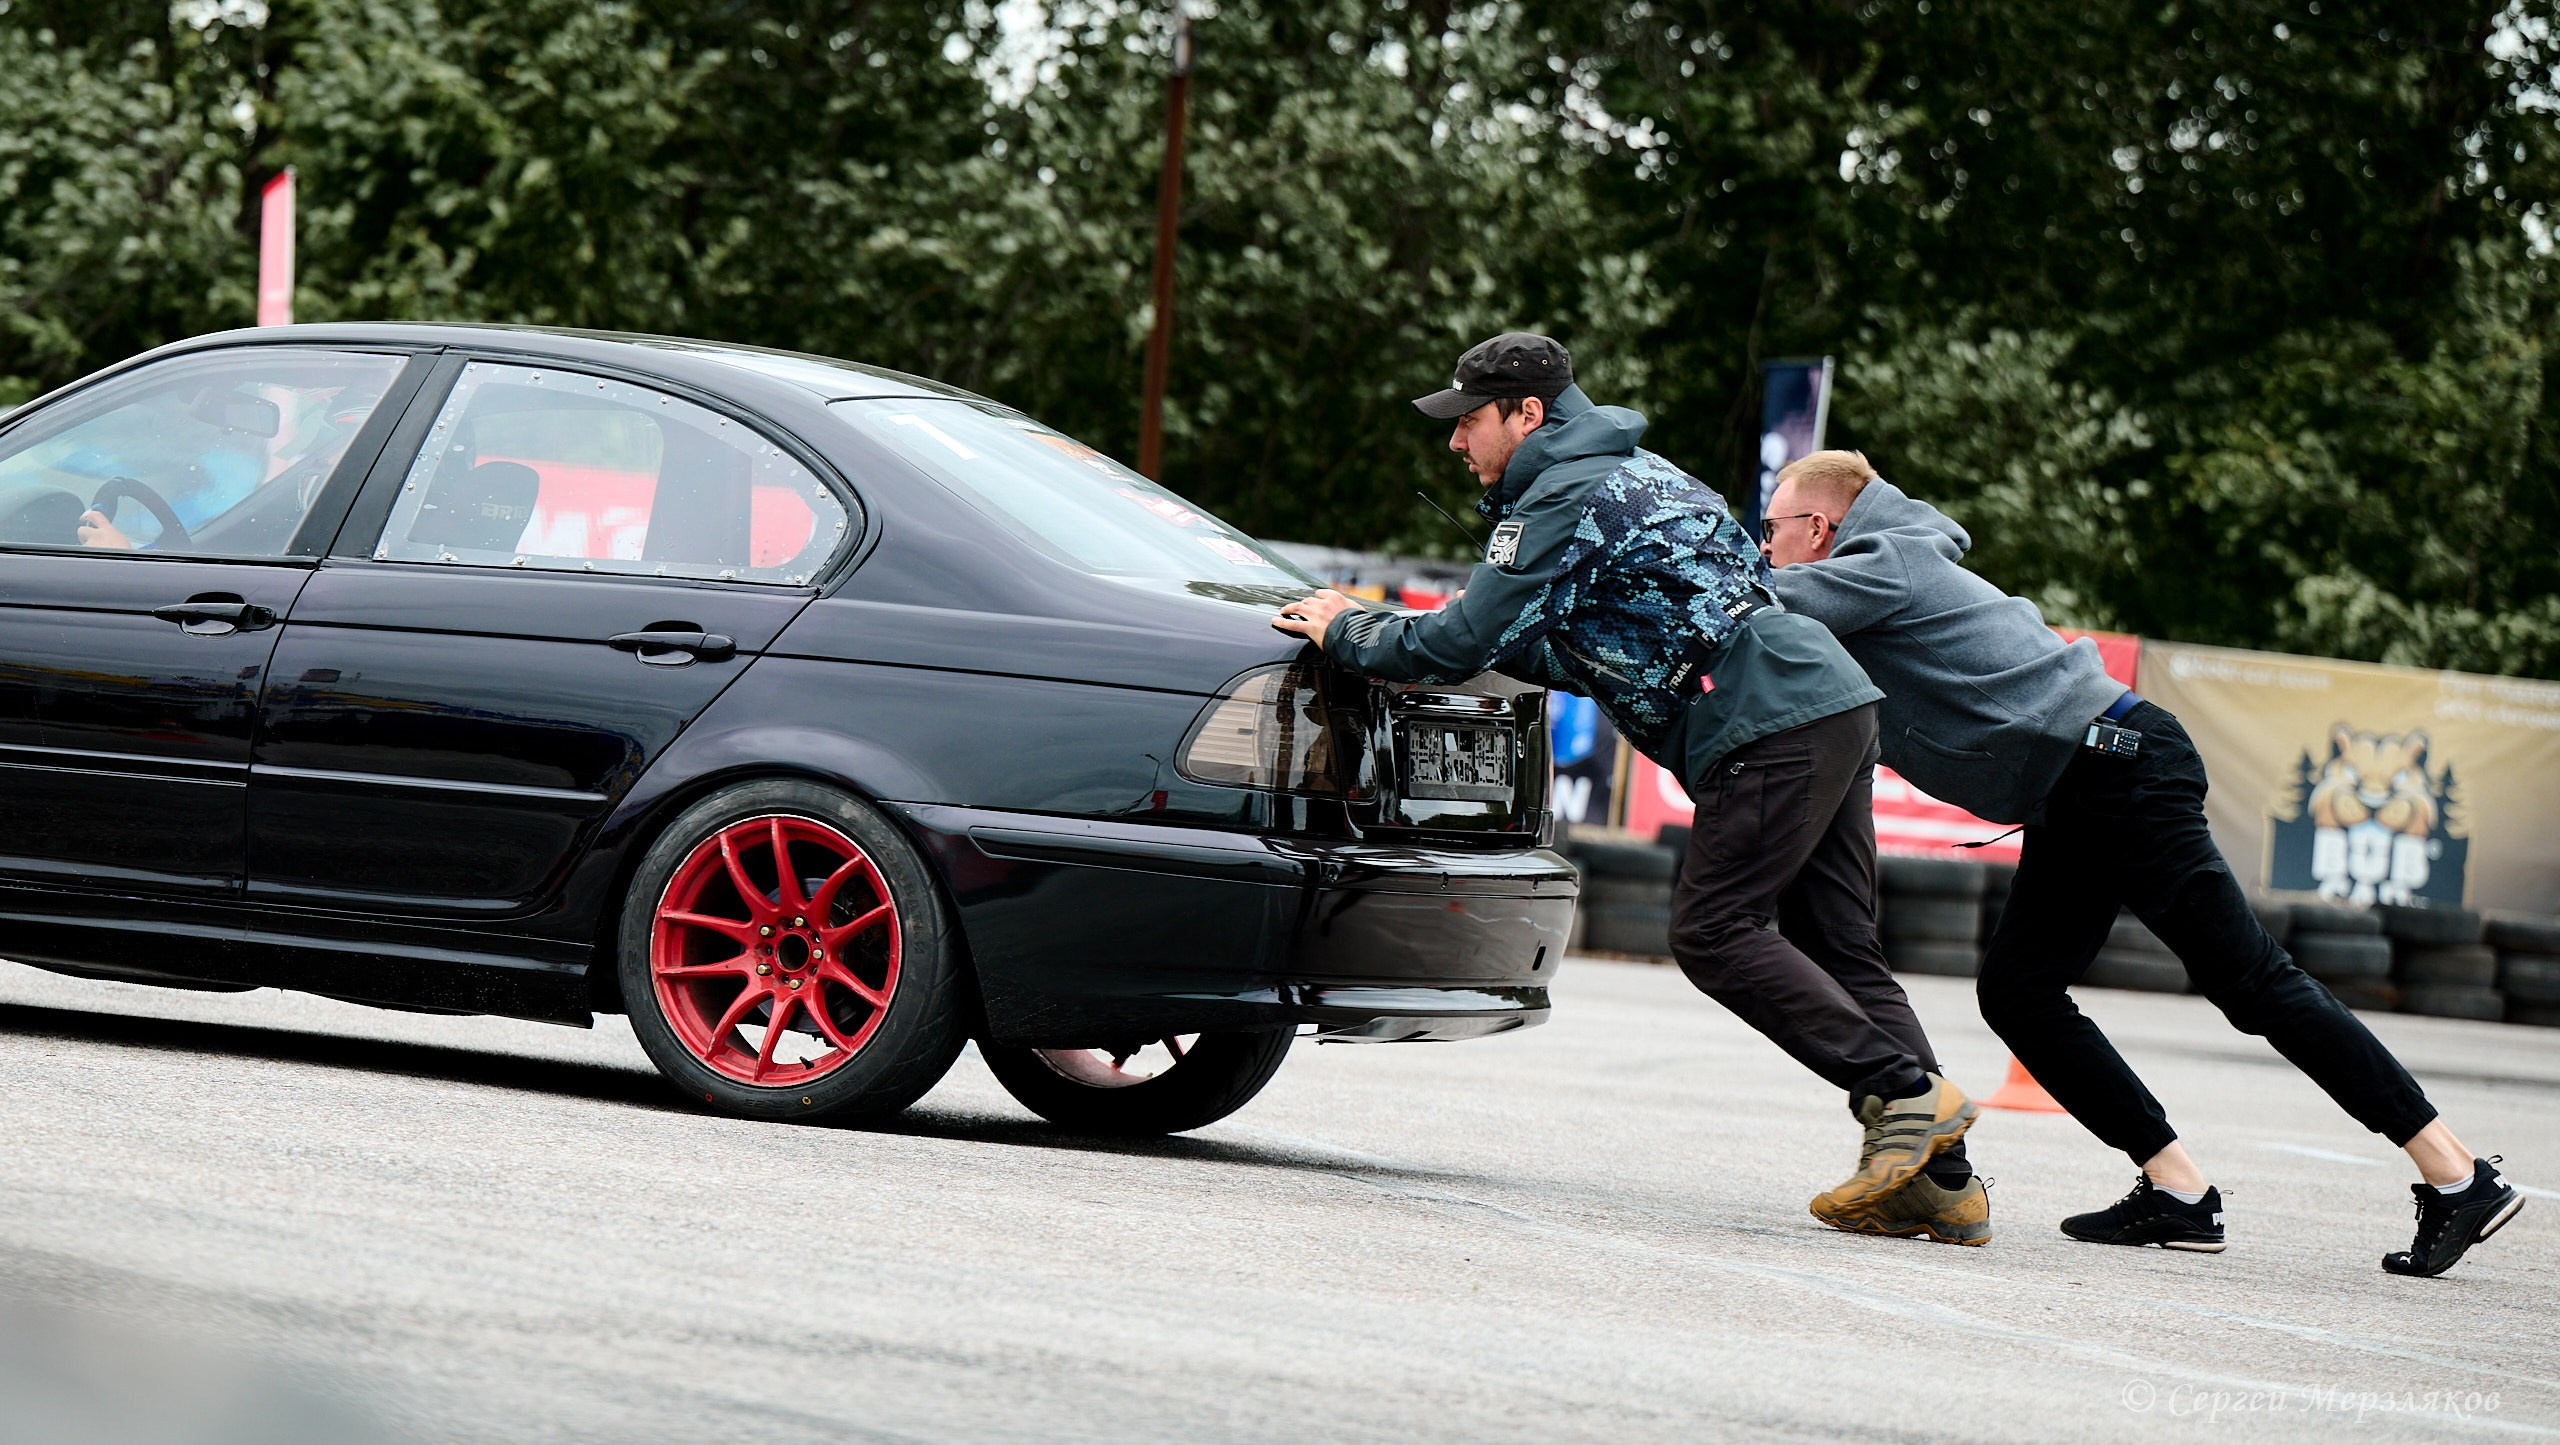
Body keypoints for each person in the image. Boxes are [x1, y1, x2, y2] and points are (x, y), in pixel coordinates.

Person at [1273, 334, 1989, 1243]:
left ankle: (1904, 1096)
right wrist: (1415, 629)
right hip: (1829, 701)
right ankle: (1942, 1180)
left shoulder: (1560, 493)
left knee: (1715, 930)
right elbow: (1596, 639)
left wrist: (1348, 633)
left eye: (1469, 421)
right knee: (1840, 944)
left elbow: (1454, 646)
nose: (1456, 443)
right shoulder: (1635, 469)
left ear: (1526, 415)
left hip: (1765, 716)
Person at [1761, 449, 2523, 1275]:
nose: (1764, 545)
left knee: (2253, 981)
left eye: (1769, 528)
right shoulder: (1876, 570)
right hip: (2078, 786)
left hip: (2116, 766)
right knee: (2019, 993)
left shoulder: (1886, 562)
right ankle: (2180, 1192)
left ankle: (2456, 1174)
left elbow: (1762, 602)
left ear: (1818, 527)